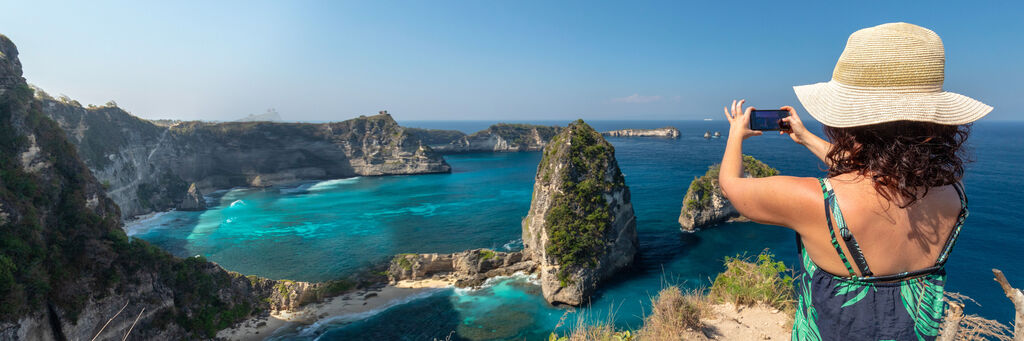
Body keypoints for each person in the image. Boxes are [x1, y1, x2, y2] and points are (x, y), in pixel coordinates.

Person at [718, 23, 992, 340]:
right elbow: (879, 172)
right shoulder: (953, 195)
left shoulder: (818, 203)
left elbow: (731, 186)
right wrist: (805, 138)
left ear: (849, 122)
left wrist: (735, 135)